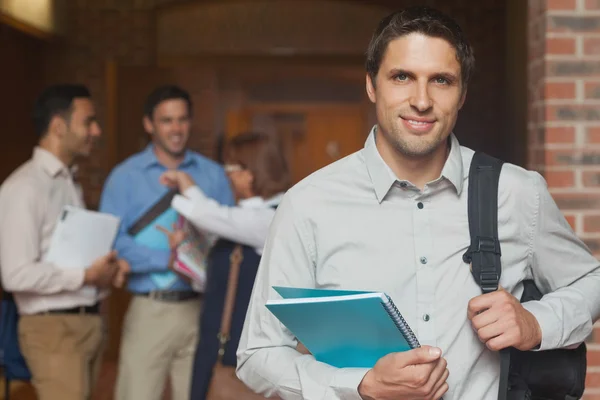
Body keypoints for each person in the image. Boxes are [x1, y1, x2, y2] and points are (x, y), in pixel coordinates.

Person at [235, 6, 600, 400]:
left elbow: (590, 281)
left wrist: (537, 323)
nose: (421, 100)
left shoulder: (516, 192)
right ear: (372, 86)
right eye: (402, 77)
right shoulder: (307, 204)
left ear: (462, 94)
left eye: (441, 80)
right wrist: (361, 385)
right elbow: (257, 355)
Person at [99, 85, 234, 400]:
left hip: (202, 309)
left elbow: (228, 239)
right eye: (166, 121)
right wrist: (167, 260)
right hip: (151, 308)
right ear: (149, 125)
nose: (176, 129)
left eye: (182, 120)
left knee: (199, 394)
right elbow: (110, 239)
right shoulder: (125, 176)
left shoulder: (212, 175)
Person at [0, 84, 129, 400]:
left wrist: (107, 270)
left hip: (85, 322)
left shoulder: (68, 182)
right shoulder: (24, 188)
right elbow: (15, 275)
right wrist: (85, 276)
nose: (96, 131)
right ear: (58, 126)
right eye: (88, 122)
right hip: (52, 330)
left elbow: (68, 255)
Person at [159, 131, 290, 399]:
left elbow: (213, 215)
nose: (227, 176)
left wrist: (186, 184)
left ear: (250, 173)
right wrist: (183, 256)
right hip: (213, 343)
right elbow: (217, 281)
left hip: (239, 352)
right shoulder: (245, 218)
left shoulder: (273, 217)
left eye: (231, 168)